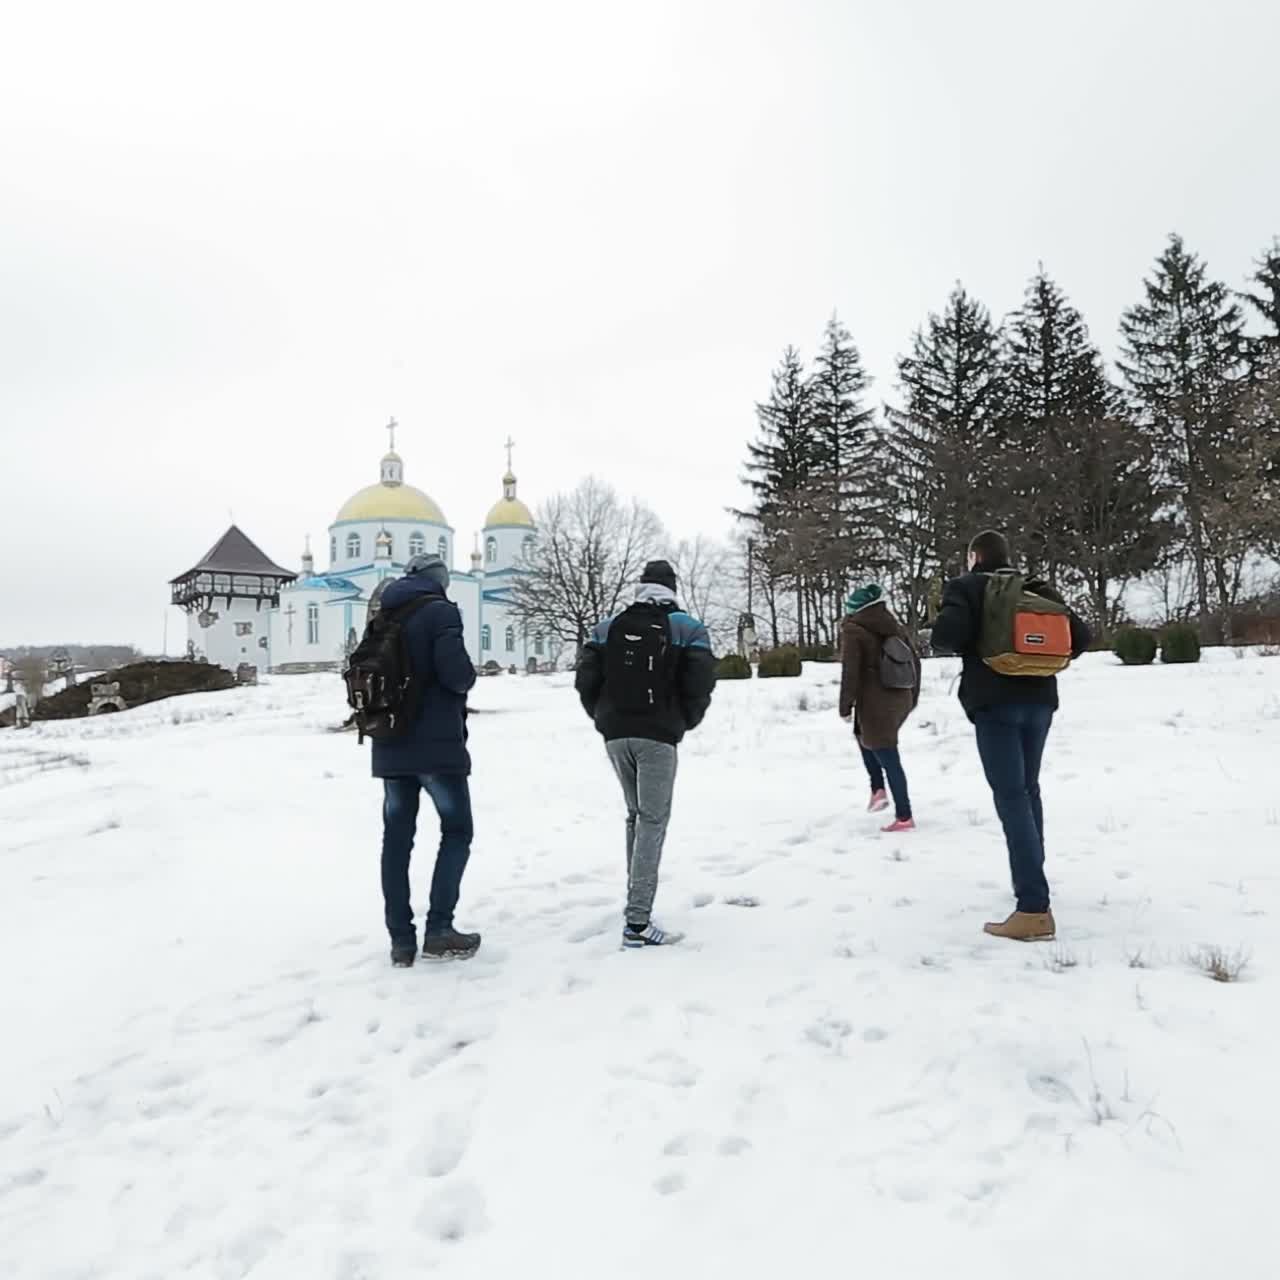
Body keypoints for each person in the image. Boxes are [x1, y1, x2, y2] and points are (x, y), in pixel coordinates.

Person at [931, 530, 1091, 942]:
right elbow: (1082, 636)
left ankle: (1034, 907)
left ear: (974, 556)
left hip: (994, 702)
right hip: (1040, 700)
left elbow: (946, 637)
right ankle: (1032, 878)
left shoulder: (966, 586)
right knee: (1028, 790)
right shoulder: (1036, 587)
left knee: (1011, 796)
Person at [575, 560, 716, 948]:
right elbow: (702, 682)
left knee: (636, 816)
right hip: (658, 736)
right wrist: (680, 721)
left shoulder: (609, 627)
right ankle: (637, 922)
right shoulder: (687, 628)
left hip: (616, 736)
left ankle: (634, 899)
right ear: (673, 588)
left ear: (642, 587)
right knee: (653, 820)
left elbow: (585, 679)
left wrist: (605, 717)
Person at [371, 553, 480, 966]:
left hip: (390, 743)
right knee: (457, 831)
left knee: (396, 840)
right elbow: (457, 674)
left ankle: (401, 941)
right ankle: (439, 930)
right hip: (436, 747)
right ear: (439, 581)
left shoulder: (384, 614)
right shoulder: (441, 613)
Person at [838, 583, 920, 833]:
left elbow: (850, 672)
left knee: (887, 753)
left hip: (877, 701)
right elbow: (915, 662)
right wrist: (912, 697)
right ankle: (878, 789)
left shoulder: (854, 630)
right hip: (900, 696)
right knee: (862, 735)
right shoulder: (893, 625)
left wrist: (844, 706)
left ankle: (904, 815)